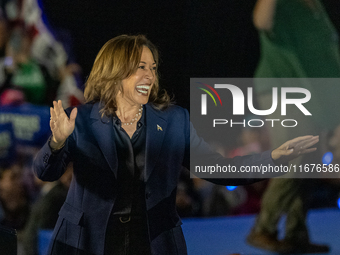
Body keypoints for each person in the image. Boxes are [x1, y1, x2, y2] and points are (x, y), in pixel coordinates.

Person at [33, 34, 318, 255]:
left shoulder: (174, 121)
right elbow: (45, 173)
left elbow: (220, 169)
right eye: (140, 67)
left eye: (153, 68)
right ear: (116, 70)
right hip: (86, 243)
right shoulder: (80, 120)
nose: (150, 76)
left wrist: (274, 157)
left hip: (153, 243)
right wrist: (57, 142)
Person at [247, 0, 340, 253]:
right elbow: (262, 22)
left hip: (315, 96)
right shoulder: (282, 5)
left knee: (309, 163)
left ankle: (295, 234)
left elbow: (329, 54)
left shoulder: (316, 8)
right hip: (283, 90)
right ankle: (263, 228)